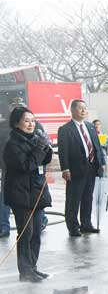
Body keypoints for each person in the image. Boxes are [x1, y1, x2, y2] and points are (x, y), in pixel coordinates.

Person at [3, 107, 53, 282]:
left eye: (33, 120)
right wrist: (39, 149)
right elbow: (26, 166)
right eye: (26, 120)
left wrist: (46, 147)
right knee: (27, 233)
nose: (31, 124)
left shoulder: (34, 140)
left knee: (37, 232)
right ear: (17, 123)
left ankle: (33, 267)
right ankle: (25, 271)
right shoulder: (12, 145)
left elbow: (43, 161)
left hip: (37, 192)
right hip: (21, 195)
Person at [58, 99, 106, 237]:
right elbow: (63, 151)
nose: (84, 111)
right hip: (75, 170)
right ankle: (73, 226)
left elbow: (97, 146)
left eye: (85, 108)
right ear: (72, 110)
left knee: (88, 197)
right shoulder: (65, 129)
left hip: (91, 168)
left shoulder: (90, 126)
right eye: (80, 108)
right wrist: (65, 169)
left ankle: (86, 224)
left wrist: (101, 163)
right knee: (74, 199)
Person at [0, 104, 11, 238]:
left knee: (32, 198)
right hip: (7, 168)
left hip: (27, 170)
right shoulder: (3, 127)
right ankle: (3, 226)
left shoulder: (33, 124)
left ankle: (42, 220)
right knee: (4, 198)